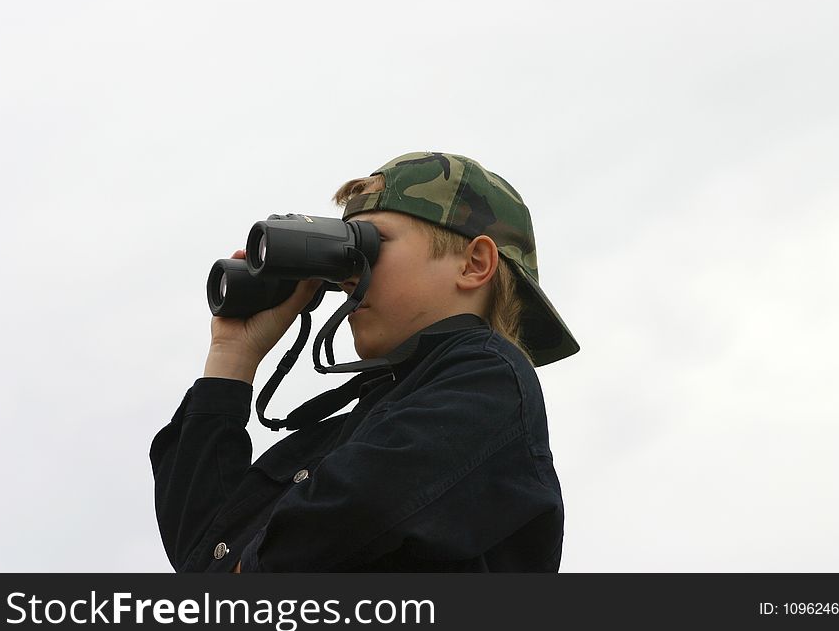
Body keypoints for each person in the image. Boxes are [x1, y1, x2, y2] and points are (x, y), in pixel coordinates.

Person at [149, 151, 580, 572]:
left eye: (372, 244)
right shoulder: (356, 432)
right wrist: (233, 358)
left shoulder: (489, 379)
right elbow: (206, 549)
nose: (348, 275)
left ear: (474, 264)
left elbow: (364, 507)